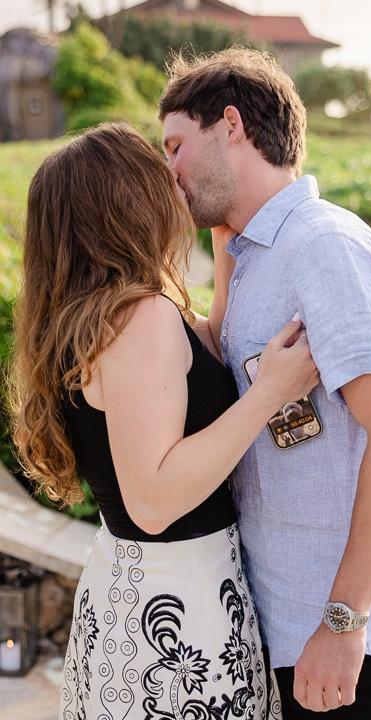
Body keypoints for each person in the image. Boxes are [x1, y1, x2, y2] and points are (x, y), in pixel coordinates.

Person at [159, 49, 371, 719]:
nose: (168, 170)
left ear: (231, 126)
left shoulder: (325, 247)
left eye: (175, 146)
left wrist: (344, 623)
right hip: (282, 628)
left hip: (346, 648)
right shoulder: (256, 256)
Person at [9, 123, 319, 720]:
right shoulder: (139, 318)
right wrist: (269, 395)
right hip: (173, 614)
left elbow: (208, 356)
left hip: (139, 591)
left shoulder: (103, 313)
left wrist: (225, 241)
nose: (174, 178)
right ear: (128, 201)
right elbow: (152, 501)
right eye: (157, 169)